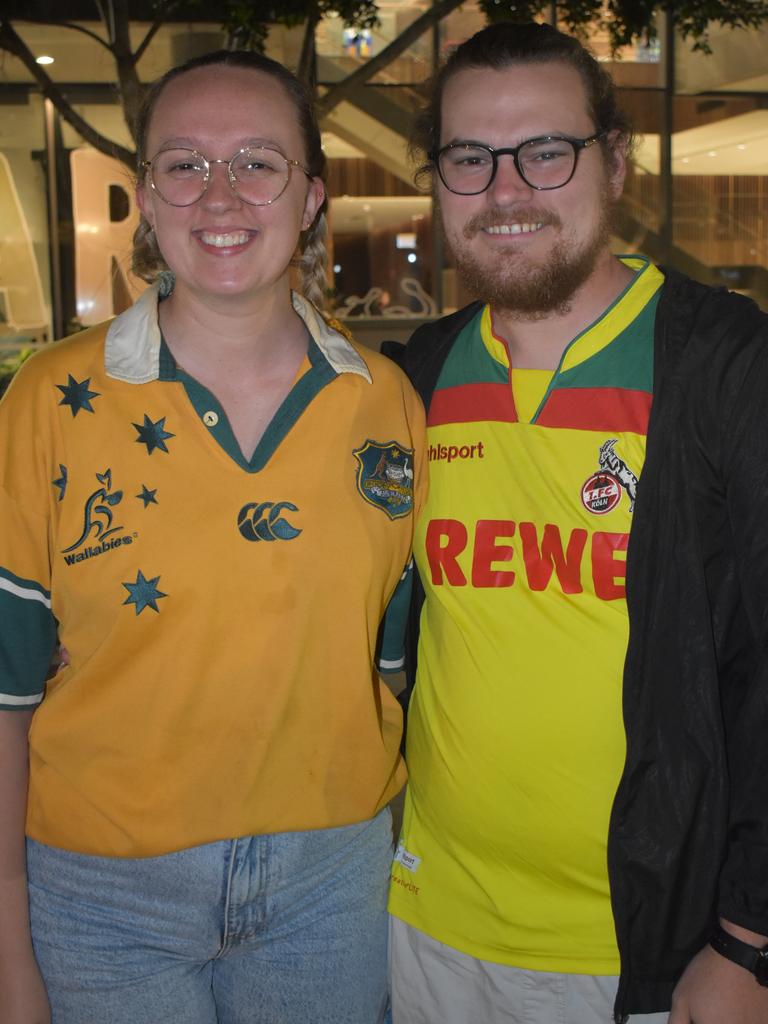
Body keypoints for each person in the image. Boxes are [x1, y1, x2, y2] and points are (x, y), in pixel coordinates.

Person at [0, 49, 425, 1024]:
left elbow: (389, 665)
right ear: (145, 196)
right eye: (183, 163)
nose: (218, 194)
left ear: (312, 195)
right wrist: (7, 937)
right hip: (99, 890)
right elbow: (6, 692)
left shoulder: (386, 406)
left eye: (257, 162)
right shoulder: (49, 404)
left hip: (331, 882)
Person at [385, 21, 768, 1024]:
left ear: (615, 159)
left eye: (544, 150)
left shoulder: (724, 368)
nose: (504, 190)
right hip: (424, 923)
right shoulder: (416, 375)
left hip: (648, 949)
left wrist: (749, 939)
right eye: (470, 158)